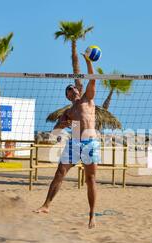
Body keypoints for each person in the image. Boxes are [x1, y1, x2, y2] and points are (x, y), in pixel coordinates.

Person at [34, 54, 100, 229]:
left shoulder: (88, 100)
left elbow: (92, 80)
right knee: (59, 173)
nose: (72, 90)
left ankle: (92, 215)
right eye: (68, 90)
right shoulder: (68, 112)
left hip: (90, 142)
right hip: (74, 143)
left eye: (73, 88)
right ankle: (46, 205)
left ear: (78, 90)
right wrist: (61, 125)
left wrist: (88, 62)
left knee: (91, 179)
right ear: (68, 96)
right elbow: (54, 132)